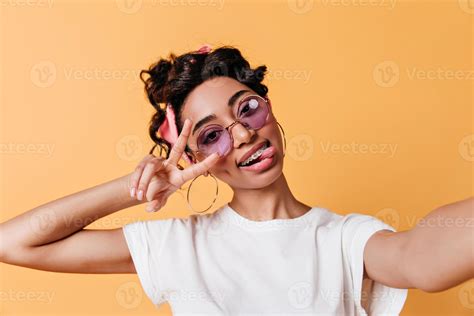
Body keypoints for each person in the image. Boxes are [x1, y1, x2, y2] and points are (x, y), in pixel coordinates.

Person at [0, 44, 472, 315]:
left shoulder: (342, 239)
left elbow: (421, 260)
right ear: (194, 156)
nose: (244, 133)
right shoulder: (180, 245)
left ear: (270, 111)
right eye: (211, 135)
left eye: (247, 108)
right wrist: (138, 186)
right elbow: (15, 244)